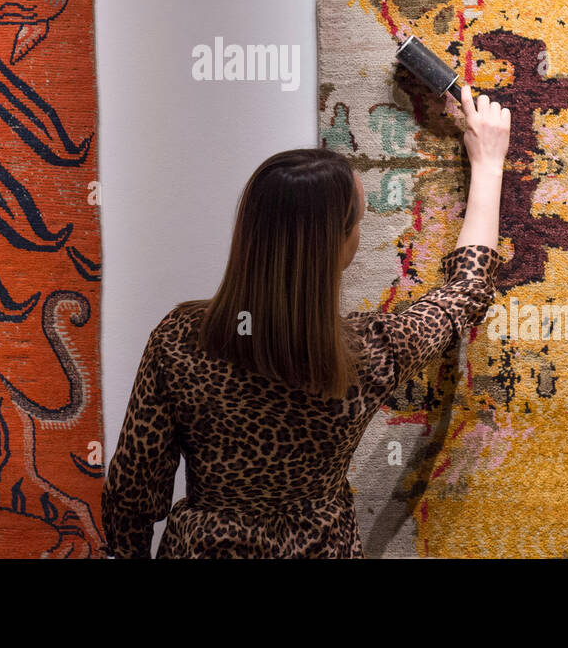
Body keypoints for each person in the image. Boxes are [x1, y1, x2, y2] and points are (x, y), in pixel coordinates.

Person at [100, 85, 510, 557]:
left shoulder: (181, 338)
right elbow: (465, 294)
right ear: (341, 246)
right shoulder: (370, 351)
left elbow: (131, 494)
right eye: (359, 220)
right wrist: (489, 165)